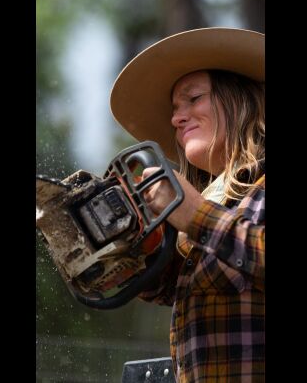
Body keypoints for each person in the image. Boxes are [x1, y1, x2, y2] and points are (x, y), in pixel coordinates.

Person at [110, 27, 265, 383]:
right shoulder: (211, 205)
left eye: (193, 98)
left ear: (239, 101)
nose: (175, 118)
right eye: (175, 109)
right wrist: (125, 246)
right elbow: (166, 286)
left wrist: (194, 214)